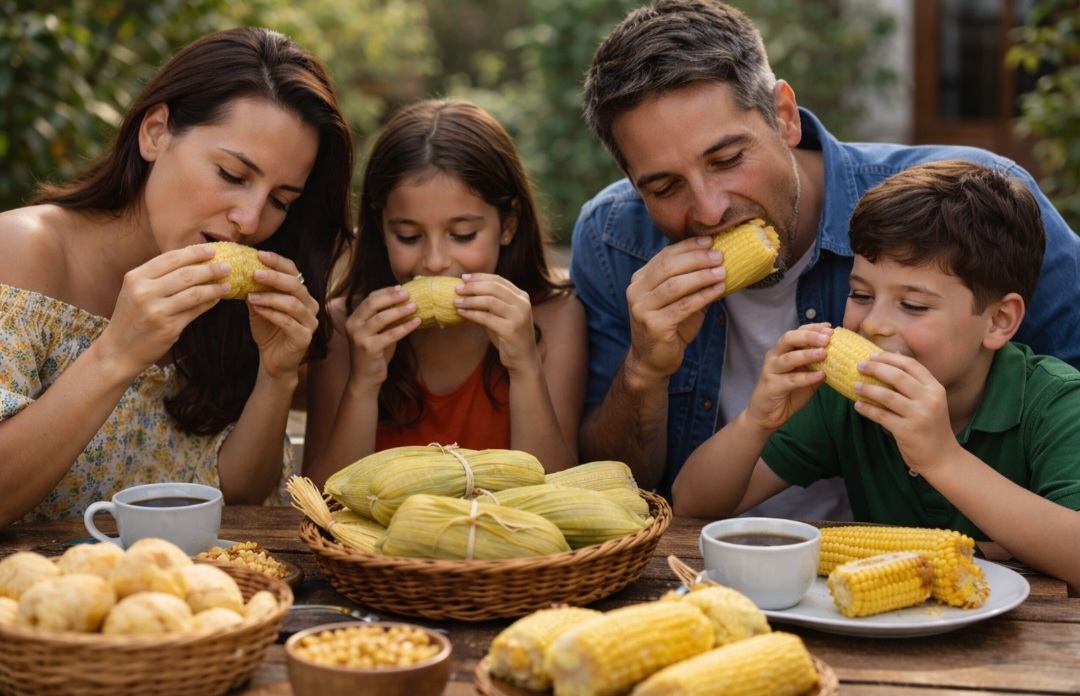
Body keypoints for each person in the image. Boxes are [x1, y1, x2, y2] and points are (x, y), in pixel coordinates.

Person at [570, 0, 1080, 515]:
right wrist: (644, 371)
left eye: (727, 160)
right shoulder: (614, 239)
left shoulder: (968, 207)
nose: (709, 210)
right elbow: (624, 495)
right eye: (663, 187)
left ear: (784, 117)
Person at [0, 27, 355, 528]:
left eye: (281, 201)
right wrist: (117, 353)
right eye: (232, 175)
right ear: (156, 132)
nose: (251, 222)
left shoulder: (230, 303)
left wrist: (276, 377)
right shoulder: (19, 252)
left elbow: (239, 500)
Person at [672, 159, 1080, 589]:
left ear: (998, 321)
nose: (873, 325)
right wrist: (757, 421)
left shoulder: (1054, 403)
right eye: (861, 294)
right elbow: (692, 504)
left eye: (914, 305)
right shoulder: (849, 401)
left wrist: (942, 459)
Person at [303, 98, 586, 487]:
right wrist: (363, 383)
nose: (435, 261)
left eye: (463, 234)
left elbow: (557, 493)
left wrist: (525, 368)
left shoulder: (555, 317)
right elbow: (320, 498)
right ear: (380, 228)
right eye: (409, 236)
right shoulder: (346, 326)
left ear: (508, 224)